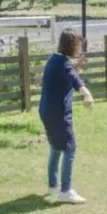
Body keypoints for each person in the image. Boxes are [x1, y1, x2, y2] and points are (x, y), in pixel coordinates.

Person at [39, 28, 94, 204]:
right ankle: (65, 191)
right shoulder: (64, 64)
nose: (79, 48)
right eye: (78, 44)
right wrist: (87, 94)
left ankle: (53, 185)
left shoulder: (54, 59)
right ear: (71, 45)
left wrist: (77, 66)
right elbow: (75, 81)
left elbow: (67, 76)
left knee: (56, 147)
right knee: (69, 148)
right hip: (59, 114)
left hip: (46, 111)